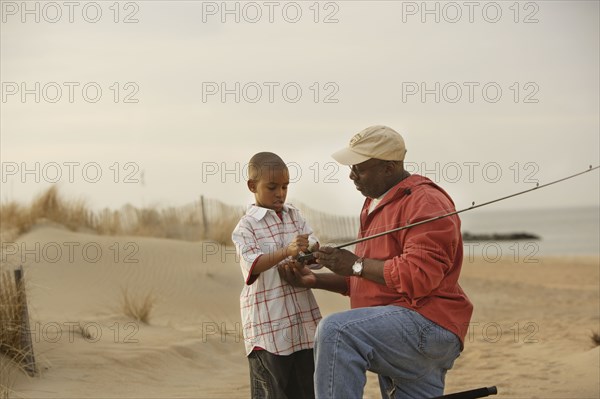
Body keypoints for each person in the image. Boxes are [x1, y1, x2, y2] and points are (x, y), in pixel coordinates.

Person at [279, 126, 473, 399]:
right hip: (397, 326)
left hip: (427, 324)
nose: (351, 175)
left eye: (359, 168)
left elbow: (417, 275)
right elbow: (368, 277)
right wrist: (315, 279)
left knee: (337, 332)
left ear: (389, 167)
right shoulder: (373, 202)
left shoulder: (425, 201)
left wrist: (355, 264)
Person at [231, 151, 322, 399]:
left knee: (308, 391)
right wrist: (286, 251)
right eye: (272, 187)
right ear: (252, 186)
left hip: (303, 327)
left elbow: (313, 250)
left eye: (285, 186)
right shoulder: (246, 226)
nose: (280, 193)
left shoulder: (295, 215)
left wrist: (309, 250)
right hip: (268, 329)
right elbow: (253, 264)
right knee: (274, 392)